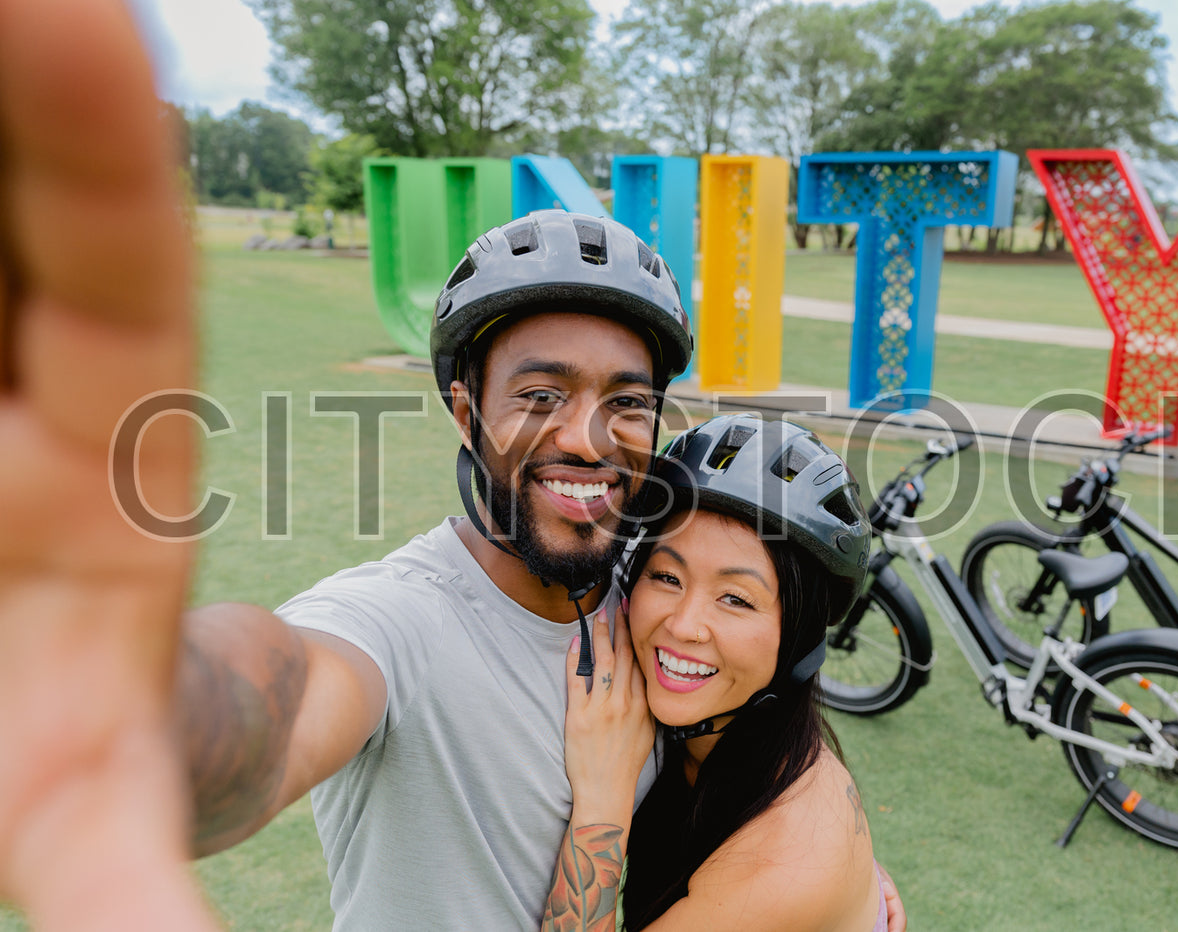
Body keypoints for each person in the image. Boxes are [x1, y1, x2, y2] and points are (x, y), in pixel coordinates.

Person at [0, 3, 908, 929]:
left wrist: (843, 887)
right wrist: (134, 714)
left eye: (627, 402)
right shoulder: (401, 622)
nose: (588, 440)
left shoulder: (639, 595)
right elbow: (288, 694)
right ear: (466, 409)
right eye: (541, 394)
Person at [540, 415, 888, 931]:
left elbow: (797, 869)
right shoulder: (720, 745)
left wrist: (603, 802)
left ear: (800, 633)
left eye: (735, 598)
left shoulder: (788, 861)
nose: (683, 626)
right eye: (666, 576)